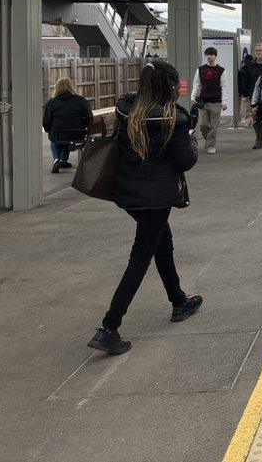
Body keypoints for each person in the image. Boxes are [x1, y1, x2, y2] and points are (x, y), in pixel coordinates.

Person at [87, 61, 202, 356]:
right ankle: (109, 327)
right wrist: (192, 137)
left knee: (163, 244)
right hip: (156, 198)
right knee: (140, 258)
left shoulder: (128, 112)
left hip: (128, 195)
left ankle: (178, 301)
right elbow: (186, 161)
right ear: (170, 86)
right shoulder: (172, 119)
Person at [43, 77, 93, 174]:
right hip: (78, 133)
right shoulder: (81, 100)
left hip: (58, 134)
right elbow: (88, 116)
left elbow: (46, 120)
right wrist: (85, 128)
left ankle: (56, 159)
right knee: (66, 138)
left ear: (57, 88)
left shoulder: (51, 103)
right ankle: (63, 161)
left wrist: (48, 130)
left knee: (55, 140)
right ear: (71, 87)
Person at [190, 47, 228, 154]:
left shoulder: (221, 70)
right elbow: (196, 84)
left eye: (211, 54)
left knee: (214, 126)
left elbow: (224, 86)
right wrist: (193, 97)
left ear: (215, 56)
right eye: (207, 54)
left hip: (216, 102)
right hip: (203, 102)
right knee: (203, 125)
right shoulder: (200, 69)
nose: (209, 56)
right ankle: (209, 141)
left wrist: (224, 102)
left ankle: (211, 145)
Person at [240, 43, 262, 148]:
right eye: (257, 51)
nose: (259, 52)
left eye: (261, 50)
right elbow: (245, 81)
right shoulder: (249, 66)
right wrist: (245, 94)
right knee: (256, 119)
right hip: (254, 96)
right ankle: (259, 140)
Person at [238, 54, 254, 127]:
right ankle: (250, 121)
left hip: (245, 92)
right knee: (250, 108)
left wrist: (243, 94)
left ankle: (248, 122)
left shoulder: (243, 69)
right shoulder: (253, 68)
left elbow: (243, 82)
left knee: (247, 108)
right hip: (252, 91)